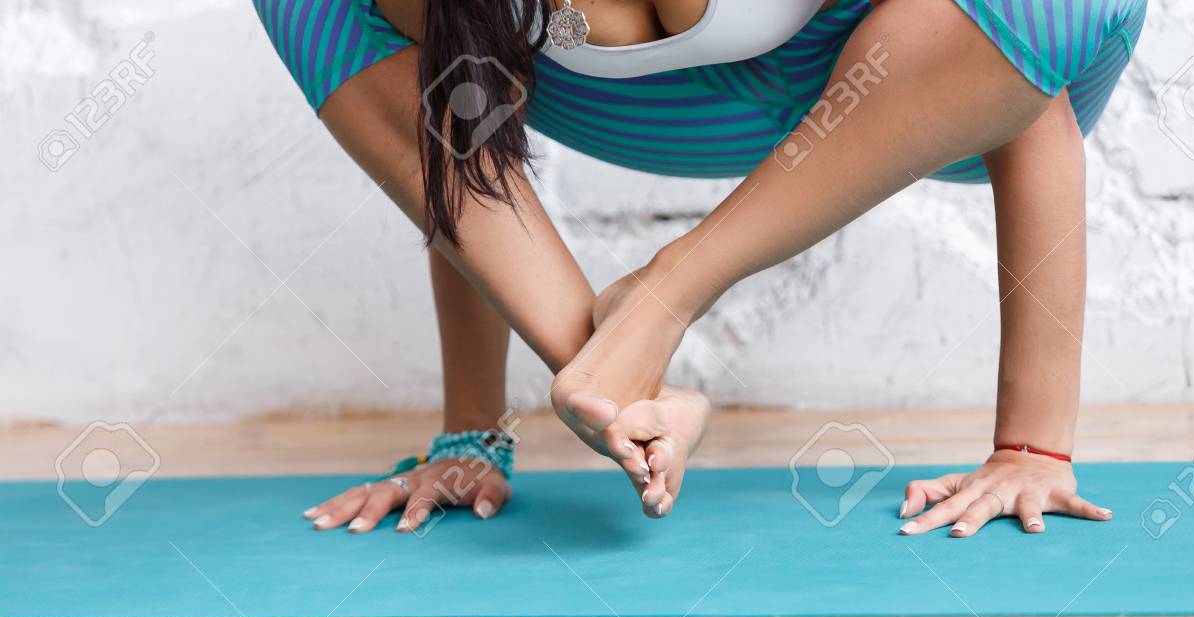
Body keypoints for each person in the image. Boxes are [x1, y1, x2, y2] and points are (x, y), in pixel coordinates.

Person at [254, 0, 1145, 537]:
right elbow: (455, 110)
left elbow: (1036, 108)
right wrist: (469, 434)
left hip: (925, 75)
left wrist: (1030, 449)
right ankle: (625, 386)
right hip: (646, 111)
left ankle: (660, 301)